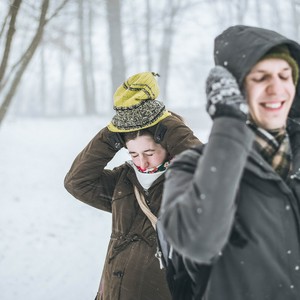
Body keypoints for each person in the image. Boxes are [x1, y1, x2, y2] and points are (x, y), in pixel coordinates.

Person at [158, 25, 300, 299]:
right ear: (235, 88)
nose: (277, 88)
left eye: (286, 76)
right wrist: (229, 123)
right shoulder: (192, 166)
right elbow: (199, 242)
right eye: (261, 78)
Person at [64, 71, 201, 300]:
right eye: (134, 154)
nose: (142, 162)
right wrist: (112, 134)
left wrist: (168, 125)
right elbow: (77, 182)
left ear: (168, 147)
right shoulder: (123, 181)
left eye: (149, 152)